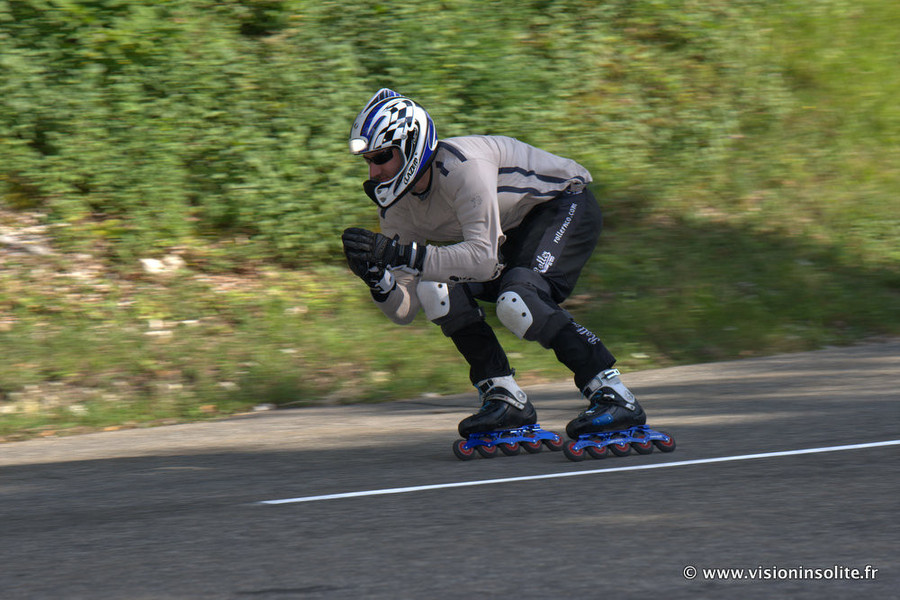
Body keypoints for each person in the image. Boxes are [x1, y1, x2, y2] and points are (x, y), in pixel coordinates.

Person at [341, 88, 647, 440]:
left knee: (519, 300)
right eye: (368, 161)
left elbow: (483, 261)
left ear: (411, 145)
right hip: (509, 229)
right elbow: (405, 309)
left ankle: (613, 394)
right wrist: (378, 280)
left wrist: (402, 255)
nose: (374, 170)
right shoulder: (395, 204)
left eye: (382, 156)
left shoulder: (463, 168)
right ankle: (504, 396)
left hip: (561, 204)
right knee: (435, 288)